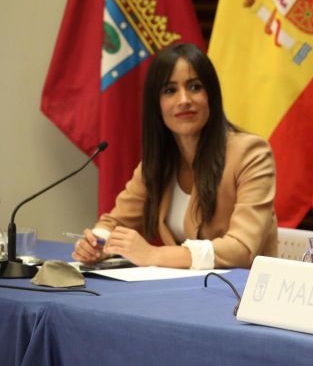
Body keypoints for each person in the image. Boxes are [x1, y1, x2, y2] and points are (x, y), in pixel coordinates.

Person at [73, 43, 277, 270]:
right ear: (157, 104)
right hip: (187, 285)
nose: (184, 100)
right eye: (170, 90)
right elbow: (116, 222)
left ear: (211, 95)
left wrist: (153, 254)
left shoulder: (251, 154)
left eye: (195, 87)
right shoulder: (159, 161)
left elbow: (241, 250)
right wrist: (99, 242)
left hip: (241, 287)